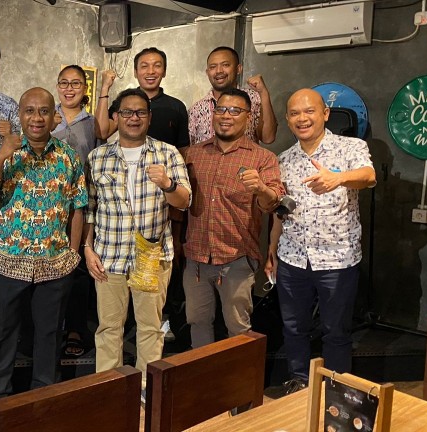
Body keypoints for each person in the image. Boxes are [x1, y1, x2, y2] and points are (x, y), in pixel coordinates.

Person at [0, 87, 87, 399]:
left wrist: (73, 253)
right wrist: (1, 156)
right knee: (3, 334)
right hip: (9, 261)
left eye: (44, 111)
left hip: (55, 264)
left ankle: (43, 399)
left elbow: (78, 206)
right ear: (19, 115)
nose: (37, 117)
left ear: (54, 117)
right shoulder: (3, 152)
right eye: (29, 110)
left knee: (50, 335)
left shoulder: (68, 157)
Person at [83, 88, 191, 403]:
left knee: (150, 328)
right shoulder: (98, 156)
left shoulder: (168, 154)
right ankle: (109, 389)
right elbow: (89, 209)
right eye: (127, 112)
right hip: (109, 256)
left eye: (140, 112)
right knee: (109, 329)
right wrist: (87, 249)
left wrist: (167, 184)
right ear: (115, 116)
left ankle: (148, 389)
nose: (133, 118)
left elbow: (184, 202)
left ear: (149, 117)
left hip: (152, 256)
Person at [266, 88, 376, 395]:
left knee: (336, 331)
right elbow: (279, 210)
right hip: (292, 258)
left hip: (337, 260)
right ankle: (299, 381)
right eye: (295, 113)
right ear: (288, 120)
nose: (303, 118)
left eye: (309, 111)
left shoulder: (349, 147)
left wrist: (338, 178)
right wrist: (272, 248)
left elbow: (369, 176)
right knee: (294, 328)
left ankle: (338, 390)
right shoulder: (283, 159)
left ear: (325, 114)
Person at [182, 88, 284, 349]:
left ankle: (238, 388)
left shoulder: (262, 158)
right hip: (196, 259)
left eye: (235, 111)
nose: (226, 116)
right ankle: (202, 383)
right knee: (198, 322)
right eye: (221, 110)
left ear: (248, 117)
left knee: (238, 328)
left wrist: (260, 187)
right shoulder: (192, 154)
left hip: (236, 258)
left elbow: (272, 203)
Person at [51, 64, 102, 358]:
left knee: (80, 265)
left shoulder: (92, 122)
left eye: (76, 84)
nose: (69, 88)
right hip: (48, 204)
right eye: (64, 83)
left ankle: (75, 328)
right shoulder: (48, 117)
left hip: (81, 202)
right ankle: (50, 328)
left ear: (85, 89)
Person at [95, 47, 189, 149]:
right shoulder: (124, 103)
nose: (151, 71)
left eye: (157, 66)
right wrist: (105, 87)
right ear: (135, 72)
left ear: (164, 72)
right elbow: (102, 133)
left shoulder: (176, 107)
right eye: (144, 66)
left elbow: (183, 149)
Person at [188, 46, 277, 145]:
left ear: (238, 69)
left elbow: (268, 138)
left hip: (245, 160)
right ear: (207, 72)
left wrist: (264, 93)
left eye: (225, 65)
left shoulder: (254, 98)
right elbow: (190, 149)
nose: (219, 71)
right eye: (213, 67)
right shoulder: (196, 110)